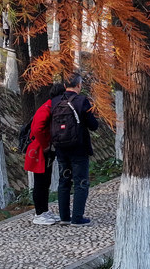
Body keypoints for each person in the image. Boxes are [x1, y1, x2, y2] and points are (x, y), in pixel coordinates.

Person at [52, 71, 99, 225]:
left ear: (65, 86)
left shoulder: (55, 101)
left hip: (61, 149)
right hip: (79, 149)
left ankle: (64, 217)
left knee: (64, 181)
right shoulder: (82, 101)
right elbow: (93, 125)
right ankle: (77, 218)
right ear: (79, 85)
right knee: (80, 182)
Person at [24, 82, 66, 225]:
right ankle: (39, 213)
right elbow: (37, 129)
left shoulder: (50, 107)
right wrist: (46, 144)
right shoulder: (46, 109)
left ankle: (44, 210)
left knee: (45, 181)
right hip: (38, 150)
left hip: (43, 149)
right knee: (40, 182)